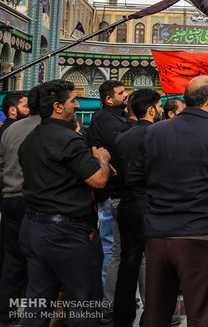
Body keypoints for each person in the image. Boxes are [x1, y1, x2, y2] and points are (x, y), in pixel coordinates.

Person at [126, 76, 208, 326]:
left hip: (159, 236)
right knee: (205, 314)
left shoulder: (155, 131)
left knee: (156, 313)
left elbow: (133, 178)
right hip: (200, 236)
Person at [18, 80, 114, 326]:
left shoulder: (31, 138)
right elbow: (99, 180)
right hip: (65, 233)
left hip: (34, 227)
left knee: (38, 300)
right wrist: (102, 159)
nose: (77, 104)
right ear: (58, 107)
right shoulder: (68, 139)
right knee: (84, 302)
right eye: (73, 100)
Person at [112, 89, 163, 327]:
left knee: (128, 264)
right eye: (159, 106)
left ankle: (123, 318)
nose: (162, 110)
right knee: (155, 265)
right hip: (150, 206)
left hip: (127, 205)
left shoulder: (122, 136)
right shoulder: (157, 134)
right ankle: (153, 318)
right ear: (151, 109)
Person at [86, 79, 131, 322]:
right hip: (109, 194)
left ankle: (114, 298)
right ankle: (106, 302)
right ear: (108, 99)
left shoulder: (115, 116)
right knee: (111, 248)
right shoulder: (106, 119)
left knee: (116, 248)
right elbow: (121, 140)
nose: (126, 96)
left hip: (114, 192)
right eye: (121, 93)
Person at [0, 86, 40, 325]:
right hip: (33, 202)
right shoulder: (43, 129)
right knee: (37, 261)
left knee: (13, 261)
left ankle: (7, 315)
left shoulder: (10, 129)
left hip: (11, 199)